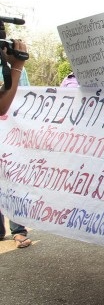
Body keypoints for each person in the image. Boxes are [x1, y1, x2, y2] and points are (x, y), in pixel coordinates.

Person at [0, 37, 31, 248]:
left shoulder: (10, 68)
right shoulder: (14, 68)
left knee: (11, 181)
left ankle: (18, 229)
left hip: (8, 134)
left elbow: (23, 100)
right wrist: (17, 66)